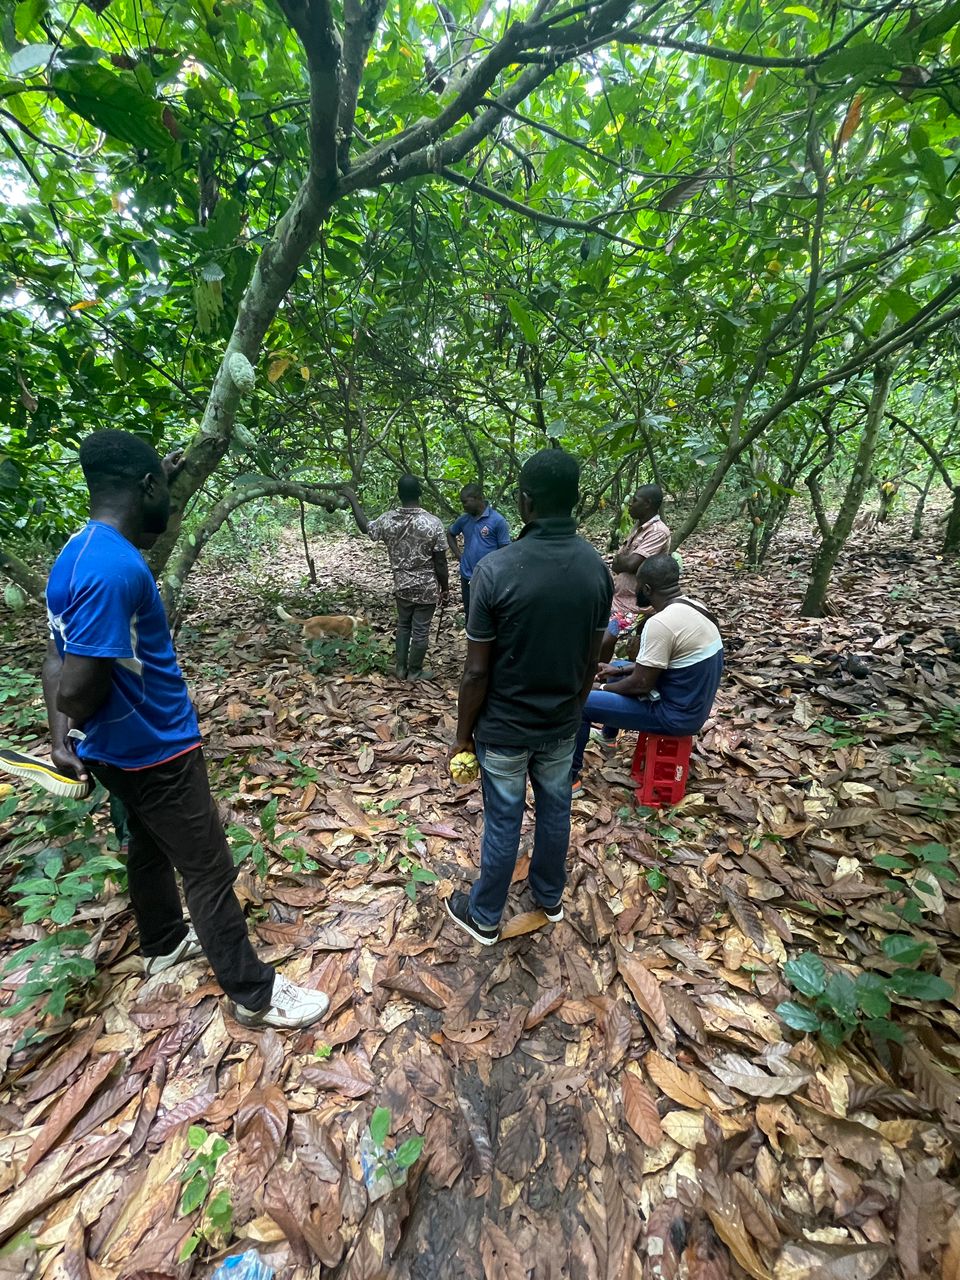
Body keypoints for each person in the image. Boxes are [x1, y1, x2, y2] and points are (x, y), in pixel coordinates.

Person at [42, 430, 329, 1029]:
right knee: (209, 869)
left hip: (115, 753)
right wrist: (70, 720)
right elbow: (76, 683)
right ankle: (255, 994)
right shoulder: (115, 569)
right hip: (154, 747)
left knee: (148, 844)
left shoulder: (77, 551)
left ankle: (164, 941)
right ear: (145, 487)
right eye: (163, 494)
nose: (169, 508)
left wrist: (62, 736)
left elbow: (54, 653)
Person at [445, 449, 613, 944]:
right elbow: (591, 659)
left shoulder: (496, 570)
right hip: (561, 723)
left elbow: (477, 672)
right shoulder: (595, 569)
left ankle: (485, 917)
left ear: (525, 503)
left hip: (504, 727)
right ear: (576, 500)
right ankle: (549, 897)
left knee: (504, 819)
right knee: (556, 808)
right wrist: (574, 708)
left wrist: (461, 738)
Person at [571, 553, 723, 788]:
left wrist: (602, 687)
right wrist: (619, 670)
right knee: (620, 666)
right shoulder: (695, 607)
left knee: (580, 703)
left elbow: (641, 684)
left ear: (648, 588)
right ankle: (608, 739)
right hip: (690, 703)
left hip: (673, 715)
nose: (635, 592)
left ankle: (570, 780)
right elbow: (669, 663)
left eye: (638, 587)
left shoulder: (660, 623)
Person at [341, 476, 449, 680]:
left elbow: (366, 528)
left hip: (402, 585)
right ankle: (415, 671)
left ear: (399, 494)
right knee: (420, 630)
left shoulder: (388, 519)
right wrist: (445, 587)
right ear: (420, 493)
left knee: (403, 625)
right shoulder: (433, 523)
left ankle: (400, 668)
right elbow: (441, 562)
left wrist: (353, 500)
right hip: (427, 587)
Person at [599, 484, 671, 666]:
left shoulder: (658, 531)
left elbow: (630, 563)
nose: (630, 504)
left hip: (634, 603)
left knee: (606, 639)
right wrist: (623, 562)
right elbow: (619, 563)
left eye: (635, 500)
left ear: (647, 504)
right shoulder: (639, 527)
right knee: (598, 636)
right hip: (619, 597)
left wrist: (624, 562)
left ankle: (597, 677)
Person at [446, 484, 511, 618]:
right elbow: (450, 533)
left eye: (465, 502)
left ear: (478, 498)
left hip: (489, 577)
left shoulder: (497, 521)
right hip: (468, 575)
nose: (463, 506)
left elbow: (505, 550)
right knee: (470, 613)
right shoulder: (464, 519)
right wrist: (459, 556)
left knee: (490, 614)